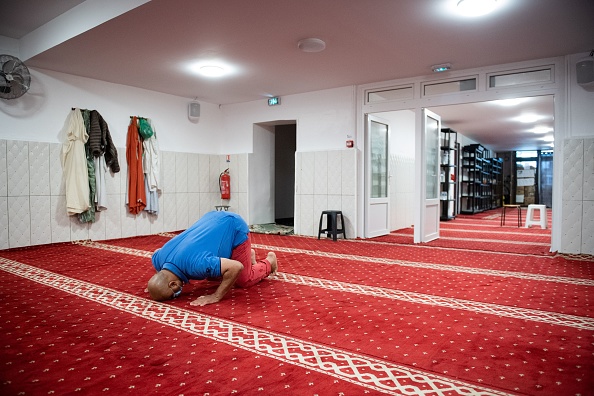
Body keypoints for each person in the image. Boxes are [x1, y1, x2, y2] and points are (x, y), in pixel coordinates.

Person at [147, 211, 278, 306]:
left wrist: (216, 296)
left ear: (173, 284)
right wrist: (157, 286)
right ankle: (247, 255)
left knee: (243, 280)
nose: (176, 295)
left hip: (234, 226)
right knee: (212, 275)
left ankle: (269, 262)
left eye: (173, 295)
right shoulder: (159, 259)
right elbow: (156, 252)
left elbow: (236, 267)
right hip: (212, 218)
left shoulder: (196, 265)